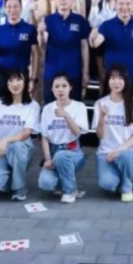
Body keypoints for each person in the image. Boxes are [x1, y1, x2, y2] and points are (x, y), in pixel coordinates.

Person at [0, 69, 39, 200]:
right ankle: (13, 180)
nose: (15, 84)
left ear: (25, 82)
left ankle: (19, 188)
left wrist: (6, 140)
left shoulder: (32, 105)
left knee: (17, 146)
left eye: (19, 79)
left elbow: (26, 133)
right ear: (6, 84)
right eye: (11, 80)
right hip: (0, 151)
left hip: (21, 150)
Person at [93, 65, 133, 202]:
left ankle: (127, 186)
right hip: (106, 152)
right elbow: (99, 136)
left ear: (126, 81)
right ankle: (119, 177)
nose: (116, 82)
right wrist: (102, 117)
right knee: (107, 183)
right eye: (112, 78)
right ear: (107, 81)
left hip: (127, 150)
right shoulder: (100, 103)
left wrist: (118, 150)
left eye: (120, 78)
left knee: (125, 156)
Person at [38, 73, 89, 203]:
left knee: (61, 156)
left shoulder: (79, 107)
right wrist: (48, 159)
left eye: (64, 86)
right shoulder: (47, 109)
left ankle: (70, 191)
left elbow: (77, 132)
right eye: (56, 86)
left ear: (70, 87)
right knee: (45, 183)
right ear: (52, 89)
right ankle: (62, 180)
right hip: (53, 151)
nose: (60, 89)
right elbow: (44, 137)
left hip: (73, 151)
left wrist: (66, 115)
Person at [90, 0, 133, 94]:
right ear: (115, 5)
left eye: (128, 4)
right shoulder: (106, 25)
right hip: (113, 80)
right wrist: (92, 37)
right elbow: (95, 44)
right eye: (121, 4)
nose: (124, 7)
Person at [0, 0, 39, 98]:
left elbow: (35, 54)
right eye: (9, 7)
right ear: (5, 9)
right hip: (2, 75)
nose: (12, 10)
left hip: (21, 74)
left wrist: (33, 78)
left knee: (20, 105)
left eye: (15, 6)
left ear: (21, 8)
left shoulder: (30, 29)